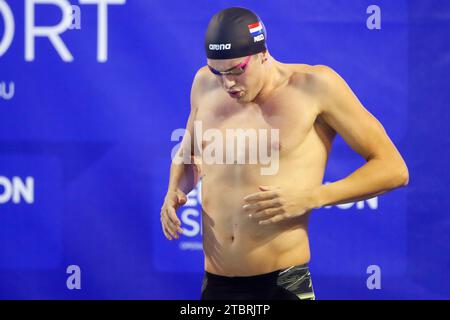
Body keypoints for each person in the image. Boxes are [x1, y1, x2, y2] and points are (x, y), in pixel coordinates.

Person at [160, 7, 409, 300]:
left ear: (262, 52)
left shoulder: (314, 87)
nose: (227, 83)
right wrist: (175, 188)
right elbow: (191, 151)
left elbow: (394, 168)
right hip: (216, 284)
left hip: (282, 284)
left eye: (236, 70)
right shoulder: (204, 83)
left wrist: (314, 196)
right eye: (218, 71)